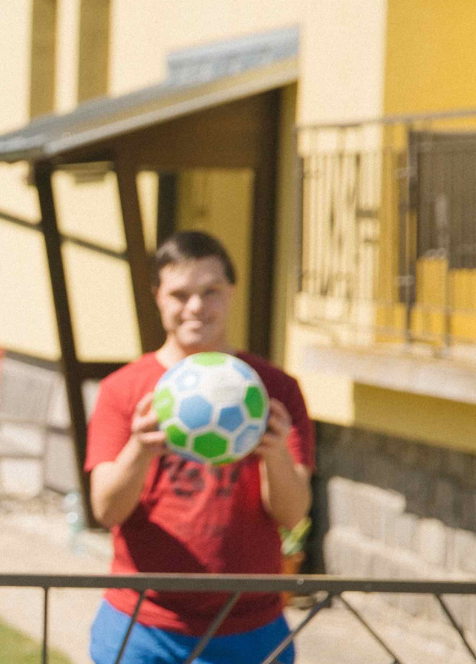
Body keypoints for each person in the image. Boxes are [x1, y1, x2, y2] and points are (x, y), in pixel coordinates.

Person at [85, 230, 314, 664]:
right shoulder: (123, 390)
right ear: (158, 297)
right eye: (180, 293)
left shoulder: (274, 390)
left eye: (210, 291)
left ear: (230, 292)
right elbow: (106, 510)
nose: (195, 307)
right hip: (143, 624)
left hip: (251, 625)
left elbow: (293, 513)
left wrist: (275, 453)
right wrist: (140, 447)